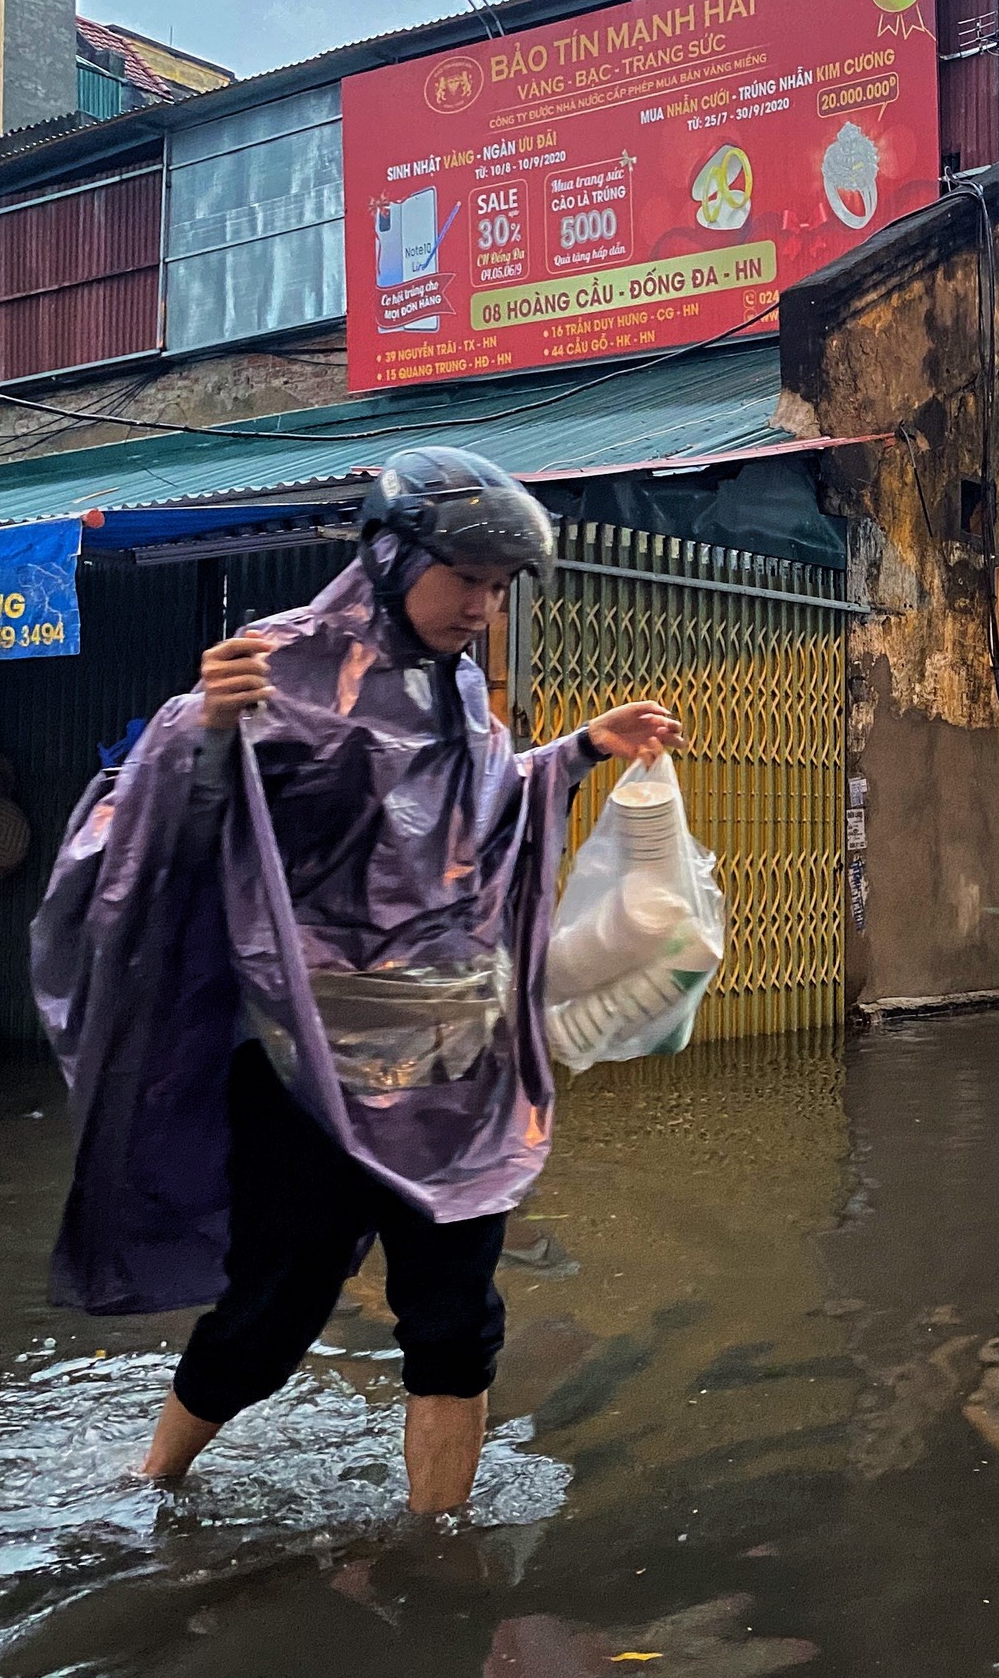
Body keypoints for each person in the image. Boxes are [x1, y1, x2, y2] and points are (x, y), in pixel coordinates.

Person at [35, 447, 682, 1517]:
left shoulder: (459, 686)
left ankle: (440, 1548)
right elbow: (142, 849)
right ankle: (153, 1481)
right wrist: (202, 732)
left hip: (451, 1061)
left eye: (496, 585)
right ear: (390, 556)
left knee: (457, 1317)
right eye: (462, 576)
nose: (480, 606)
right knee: (271, 1312)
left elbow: (464, 826)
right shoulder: (270, 671)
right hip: (306, 1068)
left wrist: (574, 755)